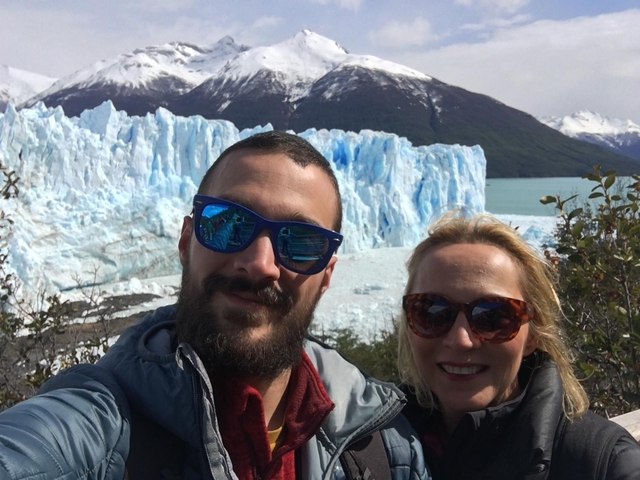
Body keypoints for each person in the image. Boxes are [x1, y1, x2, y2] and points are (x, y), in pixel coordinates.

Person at [0, 131, 428, 480]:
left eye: (300, 243)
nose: (259, 264)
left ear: (327, 275)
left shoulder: (382, 447)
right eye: (228, 224)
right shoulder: (104, 426)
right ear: (187, 242)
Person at [397, 213, 640, 479]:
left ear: (533, 335)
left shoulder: (604, 463)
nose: (460, 340)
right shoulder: (373, 445)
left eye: (493, 316)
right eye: (432, 312)